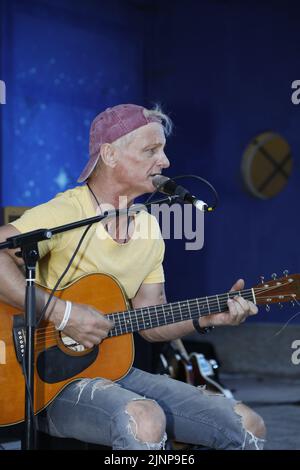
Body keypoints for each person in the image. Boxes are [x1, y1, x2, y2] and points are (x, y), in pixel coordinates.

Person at [0, 104, 266, 450]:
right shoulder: (68, 211)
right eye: (151, 150)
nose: (166, 162)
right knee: (144, 419)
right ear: (109, 154)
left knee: (248, 425)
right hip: (45, 382)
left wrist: (205, 319)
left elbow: (151, 322)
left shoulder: (149, 228)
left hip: (115, 372)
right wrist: (62, 313)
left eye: (164, 150)